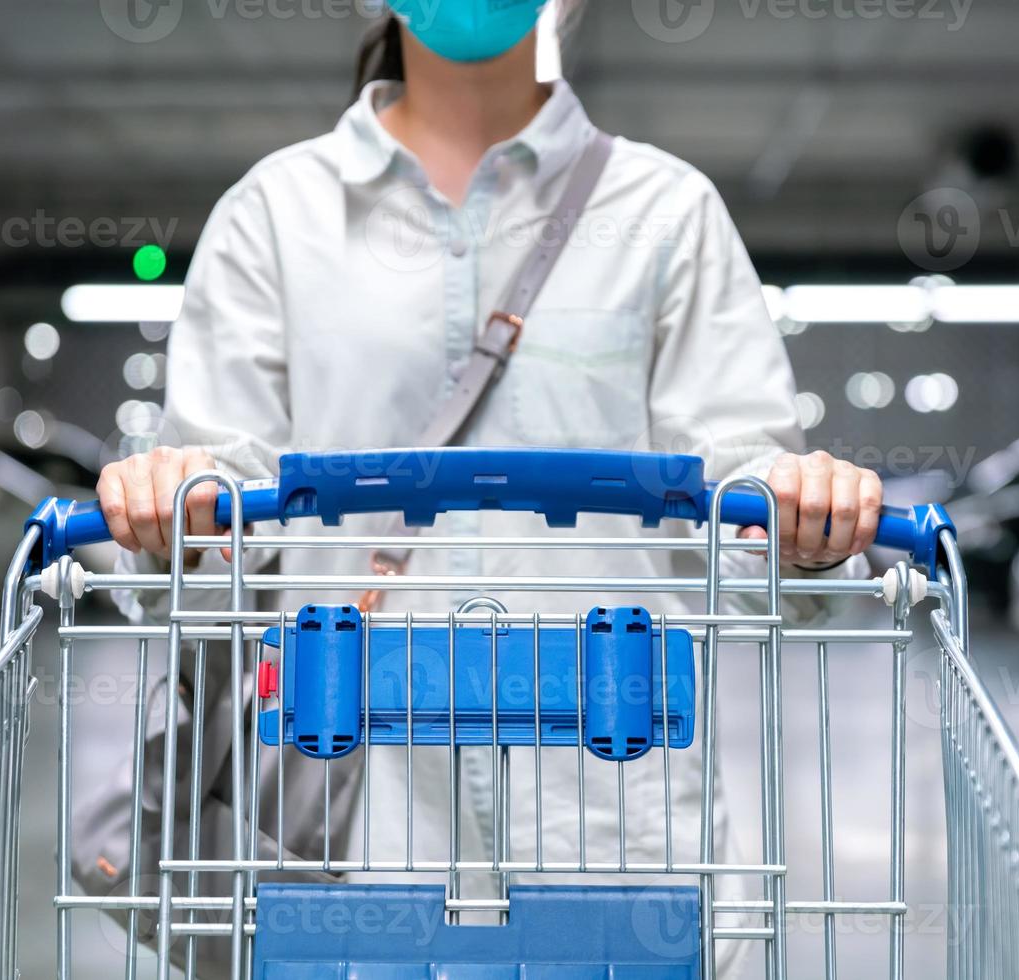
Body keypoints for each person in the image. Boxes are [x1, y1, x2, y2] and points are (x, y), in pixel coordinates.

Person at [78, 2, 883, 975]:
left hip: (608, 819)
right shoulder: (276, 216)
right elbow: (215, 523)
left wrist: (803, 514)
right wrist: (174, 505)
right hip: (353, 826)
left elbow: (742, 501)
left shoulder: (665, 212)